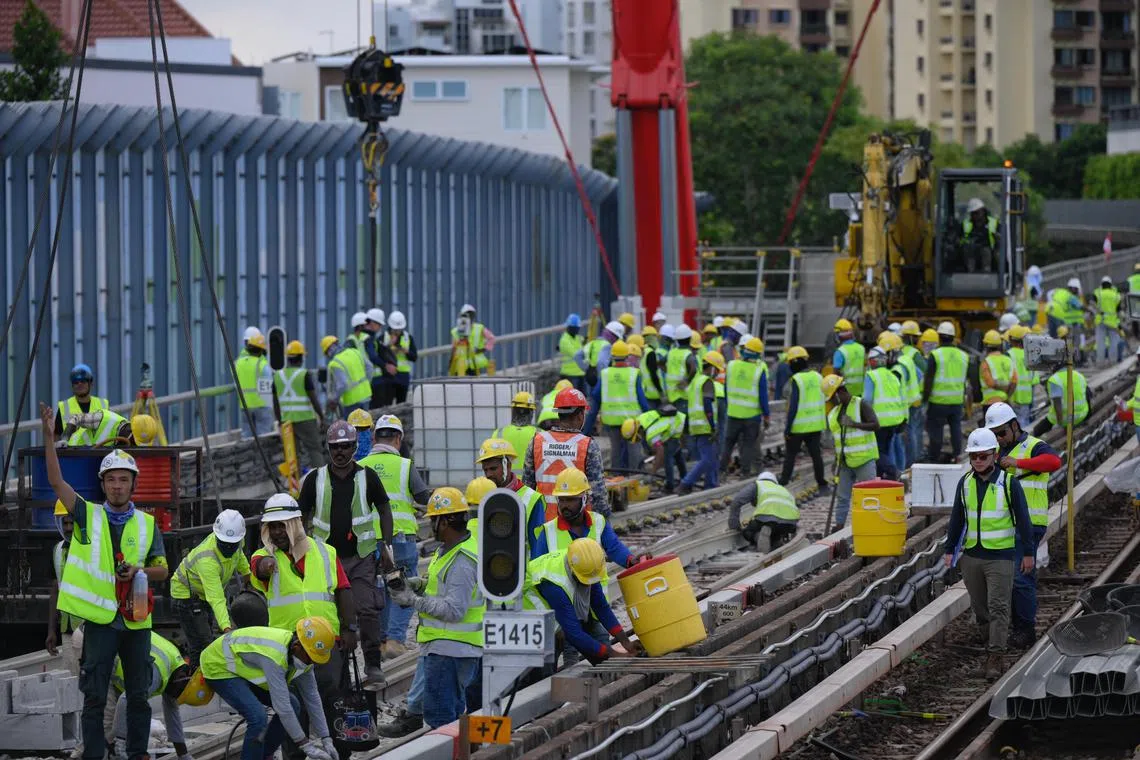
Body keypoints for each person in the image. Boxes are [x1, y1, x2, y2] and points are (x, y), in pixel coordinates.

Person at [39, 400, 169, 760]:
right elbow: (55, 481)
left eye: (122, 480)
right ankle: (95, 753)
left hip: (137, 620)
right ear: (103, 484)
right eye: (110, 480)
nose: (116, 486)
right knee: (94, 694)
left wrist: (139, 571)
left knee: (139, 693)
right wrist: (49, 438)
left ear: (132, 484)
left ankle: (138, 752)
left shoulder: (146, 524)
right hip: (100, 621)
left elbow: (163, 569)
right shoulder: (86, 516)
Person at [296, 421, 393, 683]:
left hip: (360, 557)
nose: (340, 452)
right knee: (331, 614)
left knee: (367, 609)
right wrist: (299, 548)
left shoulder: (367, 476)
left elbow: (384, 509)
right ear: (328, 448)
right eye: (335, 447)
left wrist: (385, 544)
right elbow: (301, 516)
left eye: (346, 447)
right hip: (325, 560)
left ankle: (372, 664)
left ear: (354, 447)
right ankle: (337, 670)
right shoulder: (315, 479)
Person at [386, 488, 482, 730]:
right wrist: (416, 584)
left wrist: (412, 600)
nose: (430, 524)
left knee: (440, 718)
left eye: (433, 519)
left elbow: (454, 610)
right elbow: (438, 583)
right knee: (451, 715)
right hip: (447, 648)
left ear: (447, 520)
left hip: (451, 650)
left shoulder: (462, 560)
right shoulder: (448, 549)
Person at [943, 428, 1034, 679]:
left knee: (999, 607)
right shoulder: (966, 484)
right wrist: (950, 550)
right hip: (972, 556)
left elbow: (1024, 521)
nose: (978, 461)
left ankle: (995, 657)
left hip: (1001, 557)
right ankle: (989, 649)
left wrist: (1028, 553)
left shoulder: (1009, 483)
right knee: (980, 608)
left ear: (994, 455)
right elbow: (957, 518)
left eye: (983, 456)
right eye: (974, 457)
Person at [200, 618, 338, 760]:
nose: (312, 662)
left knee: (293, 704)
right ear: (297, 646)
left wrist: (326, 738)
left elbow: (312, 698)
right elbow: (283, 708)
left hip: (240, 665)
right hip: (218, 664)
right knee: (258, 717)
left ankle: (264, 755)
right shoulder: (275, 656)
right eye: (311, 658)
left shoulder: (304, 657)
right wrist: (305, 745)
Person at [986, 402, 1061, 649]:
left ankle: (1025, 631)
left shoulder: (1033, 446)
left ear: (1015, 425)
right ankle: (1015, 626)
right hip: (1003, 524)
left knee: (1020, 577)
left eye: (1002, 433)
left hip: (1029, 522)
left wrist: (1018, 464)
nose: (999, 438)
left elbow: (1053, 462)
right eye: (994, 434)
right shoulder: (997, 453)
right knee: (1008, 577)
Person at [358, 415, 433, 659]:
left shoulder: (361, 467)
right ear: (398, 439)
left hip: (369, 540)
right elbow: (423, 496)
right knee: (404, 586)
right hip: (400, 537)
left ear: (373, 437)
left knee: (378, 589)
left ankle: (380, 642)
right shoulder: (404, 465)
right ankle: (395, 639)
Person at [528, 539, 642, 665]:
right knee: (553, 643)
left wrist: (626, 643)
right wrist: (614, 654)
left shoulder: (586, 564)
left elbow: (600, 606)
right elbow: (573, 633)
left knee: (596, 648)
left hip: (551, 601)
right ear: (573, 570)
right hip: (528, 608)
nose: (590, 584)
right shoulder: (555, 584)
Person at [109, 634, 211, 760]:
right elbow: (126, 699)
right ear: (185, 678)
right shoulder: (155, 674)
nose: (174, 696)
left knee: (119, 730)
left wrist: (183, 755)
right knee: (108, 727)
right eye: (178, 694)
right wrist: (120, 744)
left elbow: (172, 716)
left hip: (110, 653)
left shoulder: (176, 671)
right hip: (97, 647)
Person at [170, 509, 251, 667]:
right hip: (186, 596)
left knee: (206, 635)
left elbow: (239, 556)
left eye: (232, 544)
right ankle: (194, 683)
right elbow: (217, 598)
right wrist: (227, 629)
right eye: (225, 543)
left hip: (202, 594)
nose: (229, 547)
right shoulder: (207, 560)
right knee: (202, 644)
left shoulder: (238, 541)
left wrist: (248, 575)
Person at [524, 387, 608, 519]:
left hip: (542, 524)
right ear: (581, 415)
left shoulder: (537, 442)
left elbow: (527, 488)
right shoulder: (587, 446)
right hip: (577, 525)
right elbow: (598, 494)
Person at [530, 467, 637, 567]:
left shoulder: (598, 522)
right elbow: (536, 569)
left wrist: (631, 560)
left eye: (571, 499)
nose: (565, 505)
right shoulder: (548, 532)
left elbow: (615, 548)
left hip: (596, 587)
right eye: (561, 500)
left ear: (584, 499)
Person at [823, 374, 879, 530]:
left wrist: (854, 424)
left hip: (864, 460)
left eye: (833, 398)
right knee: (842, 497)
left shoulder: (861, 405)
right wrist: (836, 460)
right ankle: (839, 526)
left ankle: (869, 526)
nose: (832, 402)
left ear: (840, 393)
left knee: (867, 496)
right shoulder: (834, 414)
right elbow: (838, 440)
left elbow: (875, 424)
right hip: (845, 462)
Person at [587, 341, 649, 469]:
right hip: (631, 421)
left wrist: (587, 428)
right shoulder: (634, 373)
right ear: (627, 357)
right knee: (634, 450)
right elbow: (642, 399)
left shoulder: (605, 374)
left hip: (612, 420)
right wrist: (649, 416)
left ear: (612, 357)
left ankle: (617, 478)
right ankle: (635, 477)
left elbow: (596, 394)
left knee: (615, 451)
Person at [474, 437, 546, 546]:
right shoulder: (483, 497)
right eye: (485, 470)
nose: (488, 475)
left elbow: (537, 545)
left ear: (507, 465)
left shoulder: (531, 499)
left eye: (493, 469)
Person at [779, 347, 829, 492]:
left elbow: (793, 406)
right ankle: (822, 483)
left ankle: (783, 481)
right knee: (816, 456)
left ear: (794, 363)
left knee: (790, 456)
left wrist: (788, 428)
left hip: (798, 427)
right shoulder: (818, 376)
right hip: (815, 425)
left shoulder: (797, 380)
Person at [721, 336, 770, 477]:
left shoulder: (731, 366)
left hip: (733, 413)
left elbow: (726, 389)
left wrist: (729, 405)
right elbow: (763, 396)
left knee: (728, 444)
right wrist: (766, 415)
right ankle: (745, 472)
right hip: (752, 416)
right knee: (748, 445)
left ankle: (721, 471)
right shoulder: (758, 370)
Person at [273, 340, 324, 471]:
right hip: (305, 420)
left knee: (292, 456)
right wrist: (322, 416)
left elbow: (276, 402)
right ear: (301, 358)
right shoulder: (304, 374)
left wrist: (279, 421)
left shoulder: (278, 375)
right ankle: (322, 479)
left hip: (286, 422)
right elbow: (313, 399)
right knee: (315, 450)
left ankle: (294, 487)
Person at [923, 321, 968, 462]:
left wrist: (925, 399)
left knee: (936, 430)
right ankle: (957, 454)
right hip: (956, 400)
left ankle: (934, 457)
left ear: (939, 337)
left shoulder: (935, 355)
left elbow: (928, 379)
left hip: (938, 401)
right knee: (955, 428)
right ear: (953, 337)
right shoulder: (963, 355)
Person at [680, 351, 724, 493]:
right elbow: (707, 404)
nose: (716, 374)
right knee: (707, 459)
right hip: (705, 426)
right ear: (711, 368)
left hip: (696, 426)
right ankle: (686, 483)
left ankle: (710, 484)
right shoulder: (706, 382)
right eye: (716, 370)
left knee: (710, 456)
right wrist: (712, 426)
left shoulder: (695, 381)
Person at [46, 500, 81, 677]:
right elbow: (55, 589)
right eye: (64, 523)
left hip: (89, 628)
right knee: (71, 679)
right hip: (67, 628)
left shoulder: (91, 550)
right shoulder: (58, 550)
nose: (68, 528)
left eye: (71, 522)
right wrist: (52, 630)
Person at [621, 405, 687, 493]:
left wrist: (652, 473)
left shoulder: (651, 435)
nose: (637, 441)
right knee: (678, 455)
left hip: (677, 424)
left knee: (667, 457)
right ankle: (685, 481)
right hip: (677, 418)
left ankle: (670, 486)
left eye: (636, 438)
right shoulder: (640, 419)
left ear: (637, 433)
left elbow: (661, 452)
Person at [729, 472, 799, 553]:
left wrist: (734, 525)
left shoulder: (758, 485)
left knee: (748, 531)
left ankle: (759, 537)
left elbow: (736, 501)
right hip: (790, 523)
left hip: (767, 519)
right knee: (777, 528)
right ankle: (775, 541)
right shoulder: (783, 489)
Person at [863, 346, 905, 480]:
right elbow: (901, 397)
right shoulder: (892, 375)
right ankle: (880, 477)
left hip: (879, 420)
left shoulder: (871, 376)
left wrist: (864, 418)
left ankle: (894, 472)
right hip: (894, 420)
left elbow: (867, 399)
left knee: (876, 452)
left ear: (873, 361)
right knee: (885, 449)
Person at [1044, 328, 1090, 431]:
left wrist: (1060, 425)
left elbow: (1058, 407)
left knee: (1038, 430)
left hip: (1067, 420)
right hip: (1082, 415)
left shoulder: (1054, 380)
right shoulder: (1079, 375)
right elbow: (1088, 396)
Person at [236, 331, 275, 439]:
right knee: (264, 438)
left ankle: (248, 456)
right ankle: (261, 456)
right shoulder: (262, 365)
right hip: (262, 405)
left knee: (247, 437)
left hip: (245, 405)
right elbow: (269, 389)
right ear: (261, 350)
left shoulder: (239, 363)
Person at [321, 336, 373, 417]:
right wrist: (366, 383)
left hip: (351, 402)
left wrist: (334, 400)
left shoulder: (335, 363)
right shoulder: (355, 352)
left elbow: (342, 385)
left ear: (328, 351)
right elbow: (370, 367)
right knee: (364, 424)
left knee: (351, 428)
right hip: (366, 396)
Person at [55, 363, 110, 437]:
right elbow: (56, 438)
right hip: (72, 449)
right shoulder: (64, 407)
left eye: (83, 381)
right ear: (72, 385)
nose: (79, 384)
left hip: (99, 448)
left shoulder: (103, 404)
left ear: (90, 383)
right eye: (76, 382)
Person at [491, 392, 539, 476]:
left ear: (513, 410)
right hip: (530, 484)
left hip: (506, 483)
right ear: (531, 412)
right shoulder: (540, 434)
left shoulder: (499, 433)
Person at [979, 330, 1017, 417]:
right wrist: (1007, 395)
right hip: (1005, 402)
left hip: (990, 404)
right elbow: (1014, 381)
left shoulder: (985, 362)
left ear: (986, 346)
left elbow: (990, 383)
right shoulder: (1008, 360)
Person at [1006, 325, 1036, 429]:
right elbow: (1034, 379)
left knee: (1014, 426)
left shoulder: (1008, 355)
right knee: (1025, 423)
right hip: (1026, 396)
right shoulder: (1029, 355)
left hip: (1013, 395)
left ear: (1010, 339)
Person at [450, 304, 493, 376]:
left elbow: (491, 338)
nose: (469, 317)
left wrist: (483, 349)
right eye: (467, 315)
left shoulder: (479, 328)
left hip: (475, 364)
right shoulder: (456, 331)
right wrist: (451, 363)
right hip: (461, 365)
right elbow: (454, 347)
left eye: (471, 315)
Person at [663, 324, 698, 406]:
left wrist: (667, 370)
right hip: (683, 396)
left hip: (671, 395)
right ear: (690, 339)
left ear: (677, 340)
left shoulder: (671, 352)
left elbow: (660, 363)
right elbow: (693, 369)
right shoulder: (688, 354)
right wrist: (686, 381)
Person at [961, 197, 999, 273]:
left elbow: (1000, 238)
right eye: (972, 213)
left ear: (983, 211)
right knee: (969, 249)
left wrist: (997, 238)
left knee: (985, 251)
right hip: (971, 251)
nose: (975, 215)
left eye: (977, 213)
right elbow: (960, 239)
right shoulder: (966, 224)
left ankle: (986, 272)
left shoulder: (993, 223)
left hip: (988, 250)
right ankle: (970, 273)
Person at [1093, 275, 1125, 365]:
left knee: (1100, 343)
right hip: (1112, 322)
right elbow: (1119, 310)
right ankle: (1113, 361)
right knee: (1113, 343)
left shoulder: (1098, 293)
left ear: (1102, 284)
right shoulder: (1116, 295)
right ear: (1111, 285)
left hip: (1101, 321)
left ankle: (1100, 362)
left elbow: (1093, 305)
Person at [62, 408, 132, 447]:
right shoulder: (103, 418)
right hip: (73, 450)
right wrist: (65, 439)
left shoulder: (129, 435)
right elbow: (76, 419)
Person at [831, 319, 865, 397]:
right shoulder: (861, 348)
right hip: (861, 390)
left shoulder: (840, 352)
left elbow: (835, 374)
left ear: (840, 334)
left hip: (846, 392)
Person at [558, 314, 587, 392]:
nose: (577, 330)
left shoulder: (578, 338)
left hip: (580, 374)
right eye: (576, 328)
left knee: (582, 400)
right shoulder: (564, 340)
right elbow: (576, 354)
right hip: (569, 375)